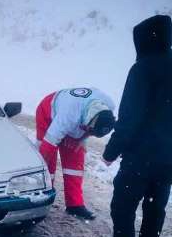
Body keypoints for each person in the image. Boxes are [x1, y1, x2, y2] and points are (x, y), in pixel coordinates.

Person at [84, 15, 172, 237]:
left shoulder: (143, 69)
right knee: (155, 206)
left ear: (144, 40)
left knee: (122, 209)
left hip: (142, 156)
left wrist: (111, 151)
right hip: (170, 155)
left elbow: (130, 117)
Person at [36, 87, 116, 220]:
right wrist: (39, 170)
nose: (89, 135)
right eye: (90, 131)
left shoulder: (108, 106)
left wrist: (82, 138)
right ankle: (43, 196)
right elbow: (47, 147)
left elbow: (93, 127)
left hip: (79, 120)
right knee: (47, 163)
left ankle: (75, 205)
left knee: (75, 164)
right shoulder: (68, 115)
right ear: (88, 121)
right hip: (48, 113)